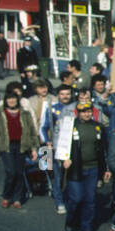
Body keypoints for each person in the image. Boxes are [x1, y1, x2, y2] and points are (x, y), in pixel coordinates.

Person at [62, 100, 109, 231]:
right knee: (76, 198)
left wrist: (105, 169)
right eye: (83, 111)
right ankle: (70, 223)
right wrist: (63, 159)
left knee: (90, 200)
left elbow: (103, 150)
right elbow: (62, 144)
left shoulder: (98, 127)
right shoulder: (70, 126)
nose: (86, 114)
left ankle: (86, 228)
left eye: (89, 111)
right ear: (78, 113)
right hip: (76, 168)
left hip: (93, 168)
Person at [0, 85, 38, 208]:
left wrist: (34, 149)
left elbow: (32, 131)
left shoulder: (25, 113)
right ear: (5, 100)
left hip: (21, 145)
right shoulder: (0, 114)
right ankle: (6, 195)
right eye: (9, 99)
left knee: (20, 173)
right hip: (6, 146)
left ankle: (17, 198)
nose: (11, 101)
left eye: (14, 98)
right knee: (11, 172)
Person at [41, 83, 77, 214]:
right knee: (58, 175)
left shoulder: (76, 108)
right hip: (58, 147)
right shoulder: (52, 109)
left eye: (68, 94)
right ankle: (60, 202)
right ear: (58, 95)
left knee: (72, 176)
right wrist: (47, 142)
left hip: (73, 148)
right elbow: (44, 128)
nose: (65, 96)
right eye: (62, 94)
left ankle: (71, 199)